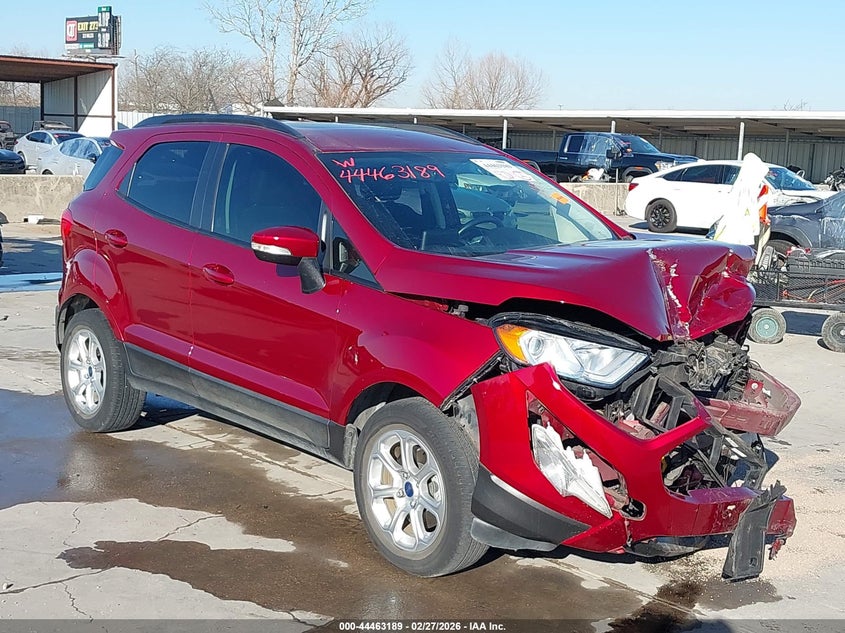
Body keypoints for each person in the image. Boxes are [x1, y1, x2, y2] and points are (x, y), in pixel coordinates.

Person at [709, 152, 770, 252]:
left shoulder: (747, 187)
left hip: (741, 233)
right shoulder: (744, 188)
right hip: (736, 232)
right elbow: (746, 209)